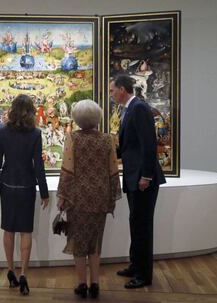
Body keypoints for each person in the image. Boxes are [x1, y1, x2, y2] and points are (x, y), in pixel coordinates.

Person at [57, 99, 122, 299]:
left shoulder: (72, 139)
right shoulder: (107, 139)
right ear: (97, 117)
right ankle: (95, 284)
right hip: (100, 197)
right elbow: (113, 171)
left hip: (77, 199)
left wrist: (62, 196)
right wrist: (113, 195)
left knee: (78, 242)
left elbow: (67, 171)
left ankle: (81, 284)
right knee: (95, 242)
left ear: (77, 118)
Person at [0, 94, 49, 296]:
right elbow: (38, 167)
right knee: (26, 231)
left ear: (12, 109)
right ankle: (23, 274)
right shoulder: (35, 133)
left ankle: (10, 270)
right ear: (31, 111)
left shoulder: (2, 131)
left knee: (8, 229)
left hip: (7, 185)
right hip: (27, 186)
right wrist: (45, 193)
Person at [109, 75, 166, 289]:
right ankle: (135, 265)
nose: (112, 94)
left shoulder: (139, 108)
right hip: (134, 176)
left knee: (142, 226)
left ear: (123, 89)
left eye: (113, 90)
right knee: (136, 222)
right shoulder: (128, 109)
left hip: (143, 178)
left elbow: (149, 144)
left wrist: (146, 176)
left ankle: (144, 274)